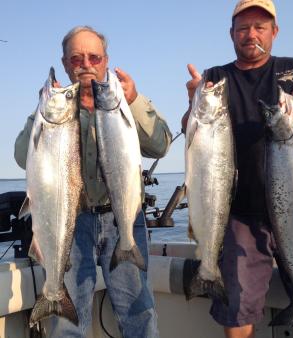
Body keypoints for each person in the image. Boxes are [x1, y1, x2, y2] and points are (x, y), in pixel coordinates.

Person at [181, 1, 293, 338]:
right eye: (243, 28)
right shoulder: (215, 79)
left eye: (260, 27)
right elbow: (192, 135)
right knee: (237, 316)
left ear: (274, 32)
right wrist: (194, 103)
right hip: (240, 215)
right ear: (232, 34)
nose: (251, 34)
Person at [15, 26, 172, 338]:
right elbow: (23, 157)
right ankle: (53, 297)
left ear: (105, 61)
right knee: (68, 325)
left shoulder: (124, 103)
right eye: (76, 58)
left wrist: (135, 99)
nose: (85, 64)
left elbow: (161, 145)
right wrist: (40, 111)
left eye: (93, 57)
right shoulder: (52, 111)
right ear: (65, 63)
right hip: (68, 224)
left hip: (122, 219)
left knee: (139, 314)